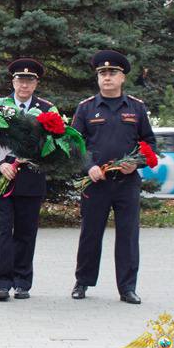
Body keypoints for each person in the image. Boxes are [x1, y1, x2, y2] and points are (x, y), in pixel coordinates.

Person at [70, 50, 156, 305]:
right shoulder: (86, 108)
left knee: (128, 236)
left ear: (122, 78)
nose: (107, 77)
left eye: (112, 73)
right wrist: (89, 167)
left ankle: (127, 288)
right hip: (96, 183)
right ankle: (82, 282)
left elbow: (149, 142)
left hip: (127, 184)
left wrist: (136, 162)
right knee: (90, 234)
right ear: (98, 78)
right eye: (102, 73)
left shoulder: (136, 108)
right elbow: (75, 143)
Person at [0, 58, 56, 302]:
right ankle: (2, 283)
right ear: (13, 81)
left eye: (29, 80)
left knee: (26, 232)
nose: (24, 85)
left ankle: (22, 282)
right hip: (3, 177)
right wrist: (0, 163)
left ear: (36, 83)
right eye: (20, 79)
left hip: (31, 178)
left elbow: (55, 144)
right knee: (3, 232)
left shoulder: (47, 109)